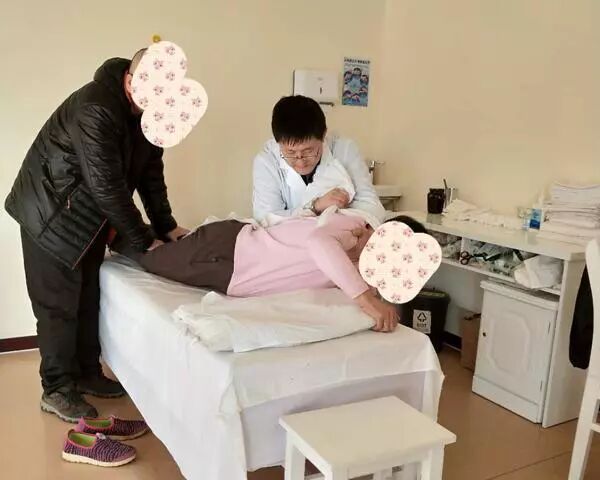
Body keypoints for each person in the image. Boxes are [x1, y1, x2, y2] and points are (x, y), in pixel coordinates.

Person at [5, 49, 188, 422]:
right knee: (58, 307)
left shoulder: (152, 115)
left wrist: (166, 226)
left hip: (86, 216)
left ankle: (87, 373)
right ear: (131, 81)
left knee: (88, 297)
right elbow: (107, 187)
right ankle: (57, 389)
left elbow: (150, 175)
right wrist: (143, 240)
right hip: (50, 213)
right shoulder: (96, 108)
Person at [114, 214, 428, 333]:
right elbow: (319, 243)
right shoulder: (350, 227)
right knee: (151, 260)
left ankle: (175, 237)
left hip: (230, 272)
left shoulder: (360, 269)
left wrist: (374, 298)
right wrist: (366, 301)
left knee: (167, 254)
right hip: (228, 251)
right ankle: (110, 228)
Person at [252, 95, 385, 223]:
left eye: (308, 151)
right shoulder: (267, 161)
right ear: (278, 143)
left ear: (323, 135)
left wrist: (361, 225)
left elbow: (372, 207)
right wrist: (314, 207)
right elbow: (265, 219)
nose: (300, 162)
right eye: (290, 152)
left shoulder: (344, 150)